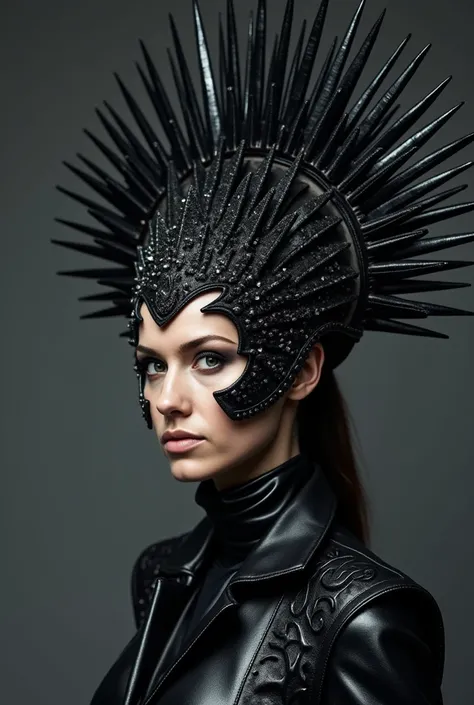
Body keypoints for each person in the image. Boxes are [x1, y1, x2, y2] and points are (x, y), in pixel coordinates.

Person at [52, 0, 474, 702]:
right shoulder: (163, 577)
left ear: (303, 370)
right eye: (153, 362)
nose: (167, 399)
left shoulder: (364, 619)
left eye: (209, 357)